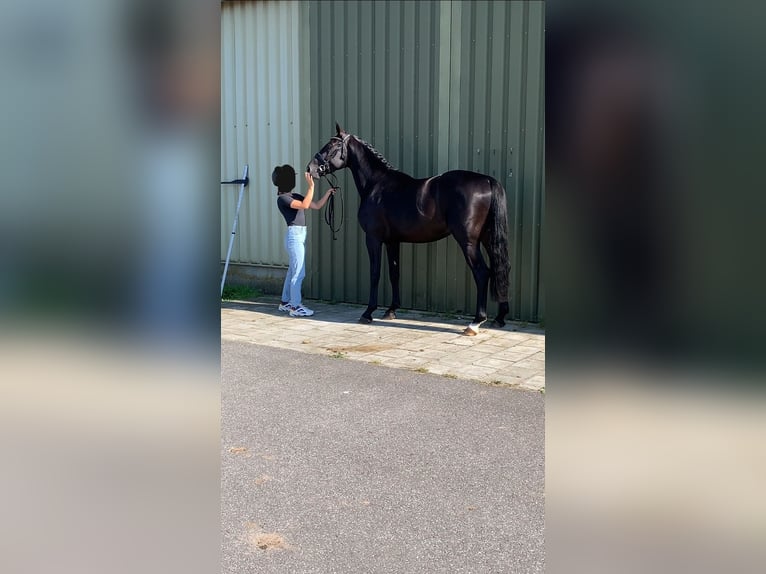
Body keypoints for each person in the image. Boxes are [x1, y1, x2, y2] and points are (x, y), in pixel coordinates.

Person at [273, 164, 335, 317]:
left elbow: (316, 205)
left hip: (299, 235)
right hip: (294, 236)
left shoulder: (295, 196)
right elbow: (305, 205)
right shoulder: (283, 199)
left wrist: (328, 194)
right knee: (298, 273)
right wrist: (311, 185)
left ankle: (285, 302)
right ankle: (295, 307)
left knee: (292, 272)